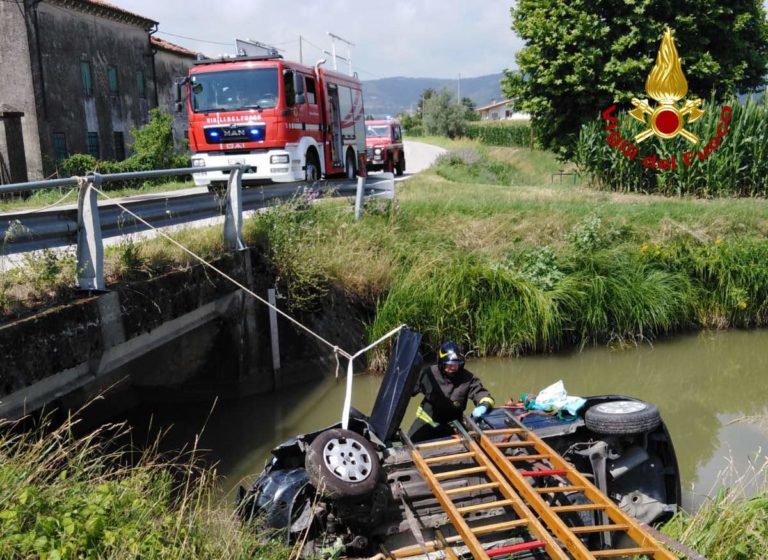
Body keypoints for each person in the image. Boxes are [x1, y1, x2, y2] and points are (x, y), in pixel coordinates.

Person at [407, 341, 495, 443]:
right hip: (426, 423)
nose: (452, 367)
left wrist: (483, 406)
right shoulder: (429, 374)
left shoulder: (468, 378)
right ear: (441, 362)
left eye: (456, 364)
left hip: (452, 427)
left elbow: (482, 394)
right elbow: (408, 391)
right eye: (448, 364)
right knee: (409, 446)